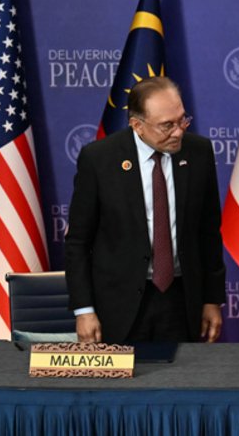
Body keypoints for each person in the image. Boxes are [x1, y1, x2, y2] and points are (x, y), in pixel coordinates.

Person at [65, 76, 225, 343]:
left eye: (182, 120)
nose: (178, 132)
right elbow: (78, 242)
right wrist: (84, 310)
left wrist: (212, 299)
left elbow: (208, 233)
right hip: (117, 304)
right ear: (137, 125)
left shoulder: (199, 152)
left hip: (181, 300)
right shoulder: (99, 159)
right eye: (167, 125)